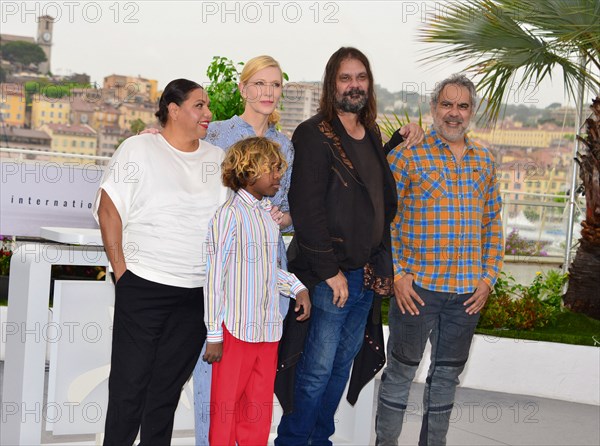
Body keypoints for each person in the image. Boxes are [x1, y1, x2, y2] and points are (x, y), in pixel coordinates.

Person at [275, 47, 423, 445]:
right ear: (331, 84)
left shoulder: (370, 132)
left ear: (369, 84)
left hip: (367, 273)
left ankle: (319, 439)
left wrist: (399, 138)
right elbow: (307, 210)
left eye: (361, 77)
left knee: (340, 366)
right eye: (345, 78)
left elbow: (365, 185)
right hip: (331, 276)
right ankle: (292, 440)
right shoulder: (312, 134)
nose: (354, 85)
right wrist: (329, 271)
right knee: (317, 368)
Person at [94, 79, 228, 445]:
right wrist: (123, 275)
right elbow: (109, 210)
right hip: (143, 285)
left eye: (208, 106)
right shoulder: (138, 148)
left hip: (195, 295)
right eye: (199, 106)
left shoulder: (217, 160)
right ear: (173, 110)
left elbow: (228, 225)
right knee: (128, 390)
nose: (207, 113)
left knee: (165, 395)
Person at [375, 74, 504, 446]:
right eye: (446, 104)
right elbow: (385, 222)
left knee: (447, 377)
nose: (454, 113)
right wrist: (399, 275)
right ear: (434, 108)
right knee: (401, 372)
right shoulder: (407, 154)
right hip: (417, 290)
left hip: (467, 295)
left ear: (471, 112)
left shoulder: (484, 160)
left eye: (462, 106)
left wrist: (487, 278)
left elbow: (492, 223)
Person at [192, 54, 295, 444]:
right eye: (260, 83)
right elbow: (180, 149)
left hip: (270, 280)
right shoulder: (215, 132)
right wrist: (157, 134)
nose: (267, 92)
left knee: (255, 394)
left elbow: (289, 213)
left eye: (275, 85)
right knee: (214, 385)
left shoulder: (286, 144)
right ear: (243, 88)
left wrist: (283, 219)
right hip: (225, 279)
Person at [202, 136, 311, 446]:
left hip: (267, 332)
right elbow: (214, 277)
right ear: (249, 172)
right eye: (272, 170)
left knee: (258, 412)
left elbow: (264, 271)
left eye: (279, 169)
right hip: (235, 332)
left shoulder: (267, 216)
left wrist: (297, 288)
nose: (279, 177)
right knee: (225, 411)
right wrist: (214, 334)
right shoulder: (228, 216)